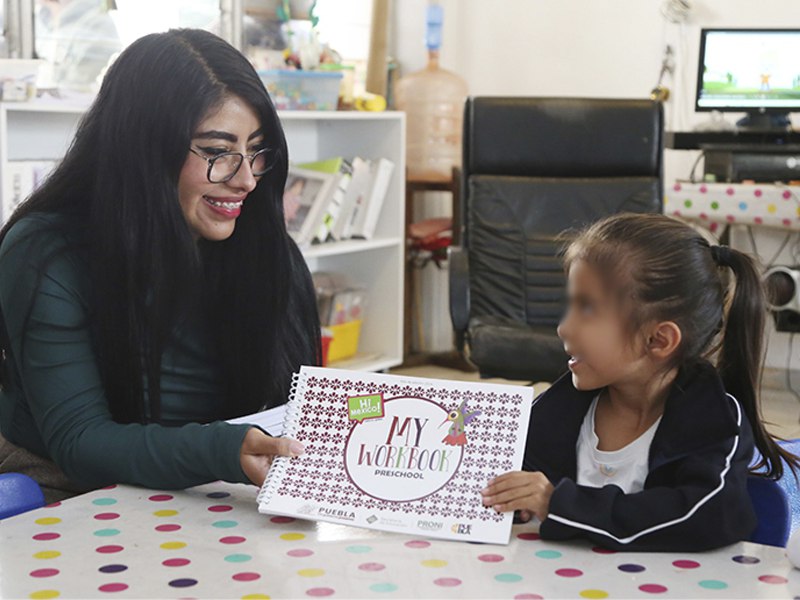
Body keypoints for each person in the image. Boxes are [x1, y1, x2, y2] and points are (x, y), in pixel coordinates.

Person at [0, 29, 320, 502]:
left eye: (256, 150)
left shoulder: (264, 248)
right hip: (66, 484)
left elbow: (301, 409)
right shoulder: (46, 253)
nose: (247, 179)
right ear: (143, 150)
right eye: (217, 152)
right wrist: (220, 451)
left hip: (212, 481)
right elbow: (80, 442)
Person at [481, 213, 799, 552]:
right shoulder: (555, 411)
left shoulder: (714, 421)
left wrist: (559, 504)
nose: (563, 328)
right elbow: (513, 488)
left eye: (586, 309)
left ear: (659, 340)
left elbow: (705, 517)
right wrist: (514, 502)